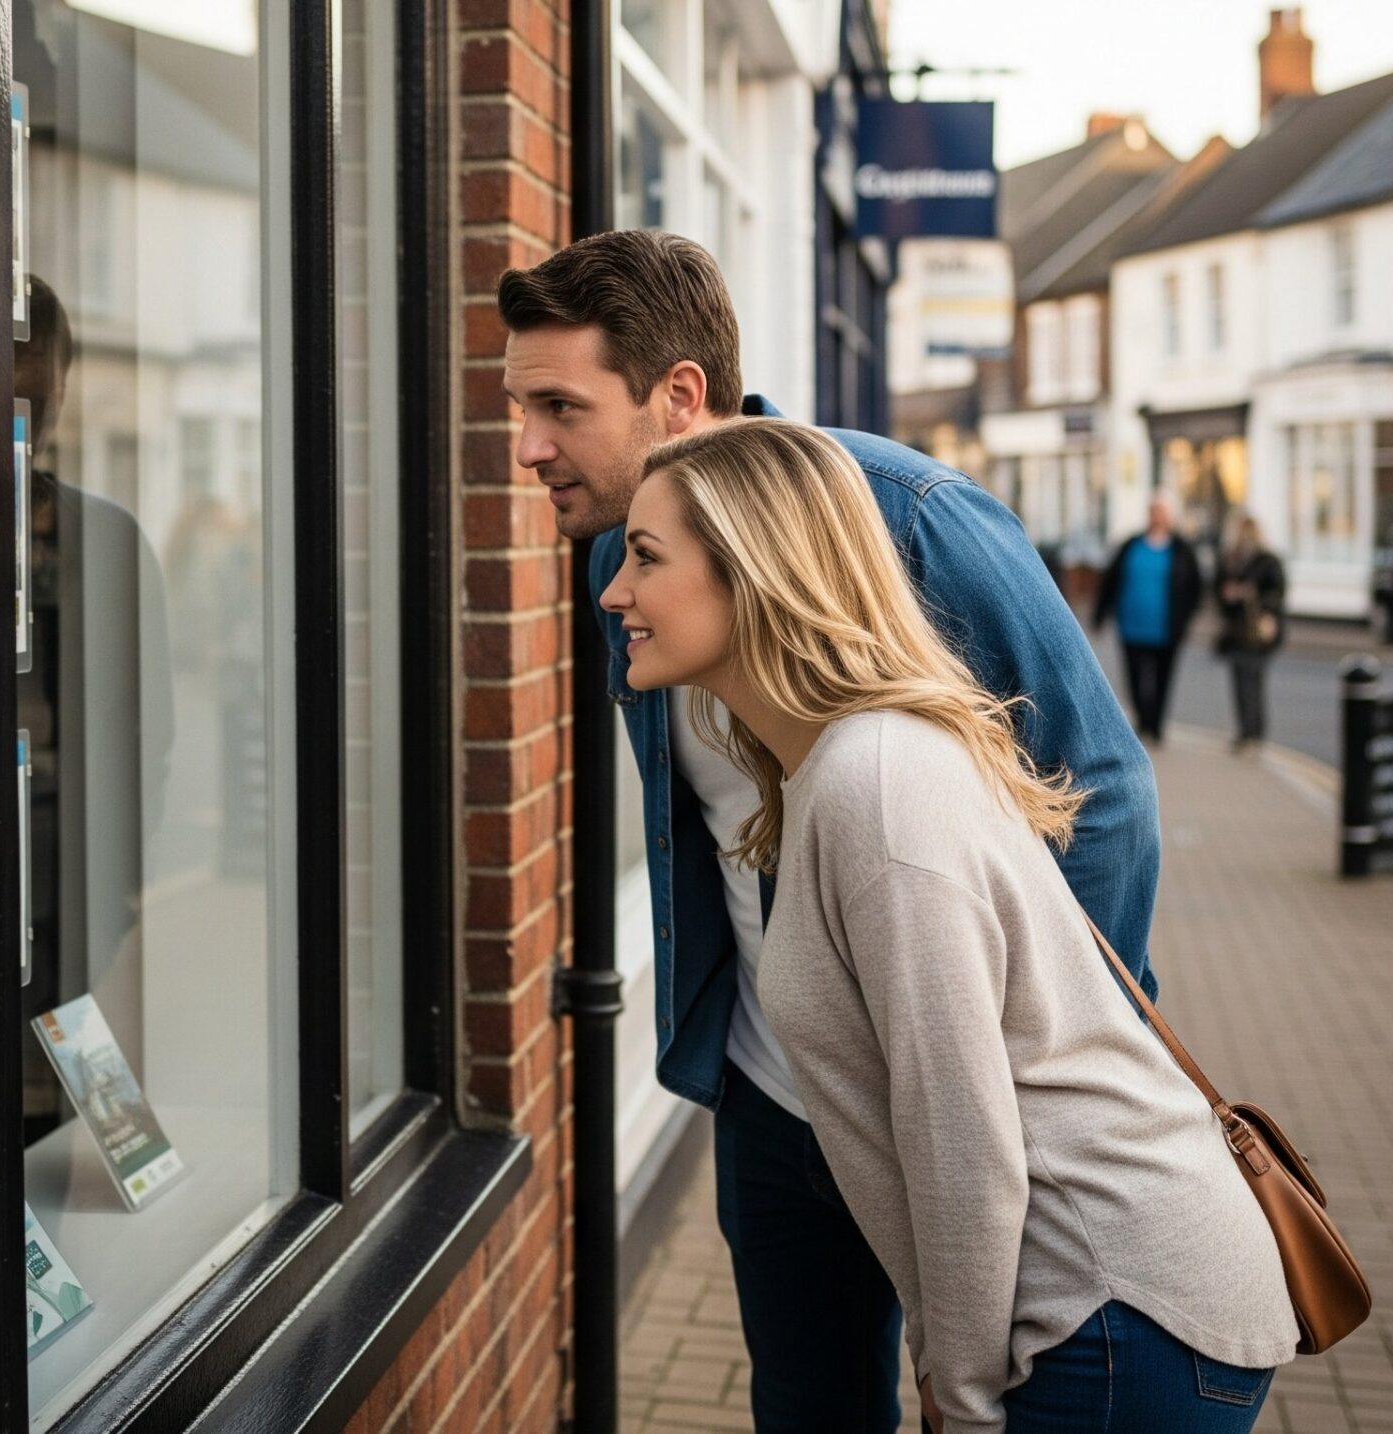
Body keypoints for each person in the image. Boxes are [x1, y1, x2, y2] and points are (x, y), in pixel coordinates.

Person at [497, 230, 1161, 1431]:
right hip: (772, 1095)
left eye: (558, 405)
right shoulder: (615, 561)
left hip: (968, 1111)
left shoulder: (904, 517)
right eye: (517, 406)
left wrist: (1035, 1067)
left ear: (680, 398)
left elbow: (1104, 794)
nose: (527, 446)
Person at [601, 418, 1297, 1433]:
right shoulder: (832, 769)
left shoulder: (875, 783)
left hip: (1110, 1319)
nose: (614, 590)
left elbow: (959, 1134)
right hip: (1084, 1317)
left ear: (753, 573)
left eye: (646, 558)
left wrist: (963, 1398)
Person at [1093, 494, 1202, 743]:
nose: (1157, 518)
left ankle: (1156, 725)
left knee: (1163, 679)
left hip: (1167, 628)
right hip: (1132, 626)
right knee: (1134, 678)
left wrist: (1186, 617)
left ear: (1170, 517)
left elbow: (1195, 587)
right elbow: (1110, 581)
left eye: (1162, 512)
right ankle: (1143, 721)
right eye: (1154, 512)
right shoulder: (1131, 545)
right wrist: (1101, 614)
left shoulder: (1182, 550)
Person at [1213, 511, 1286, 751]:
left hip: (1258, 630)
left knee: (1254, 679)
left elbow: (1276, 592)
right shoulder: (1230, 559)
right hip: (1237, 631)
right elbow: (1218, 591)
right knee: (1240, 681)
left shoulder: (1268, 560)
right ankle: (1246, 730)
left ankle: (1255, 730)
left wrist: (1251, 595)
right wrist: (1230, 595)